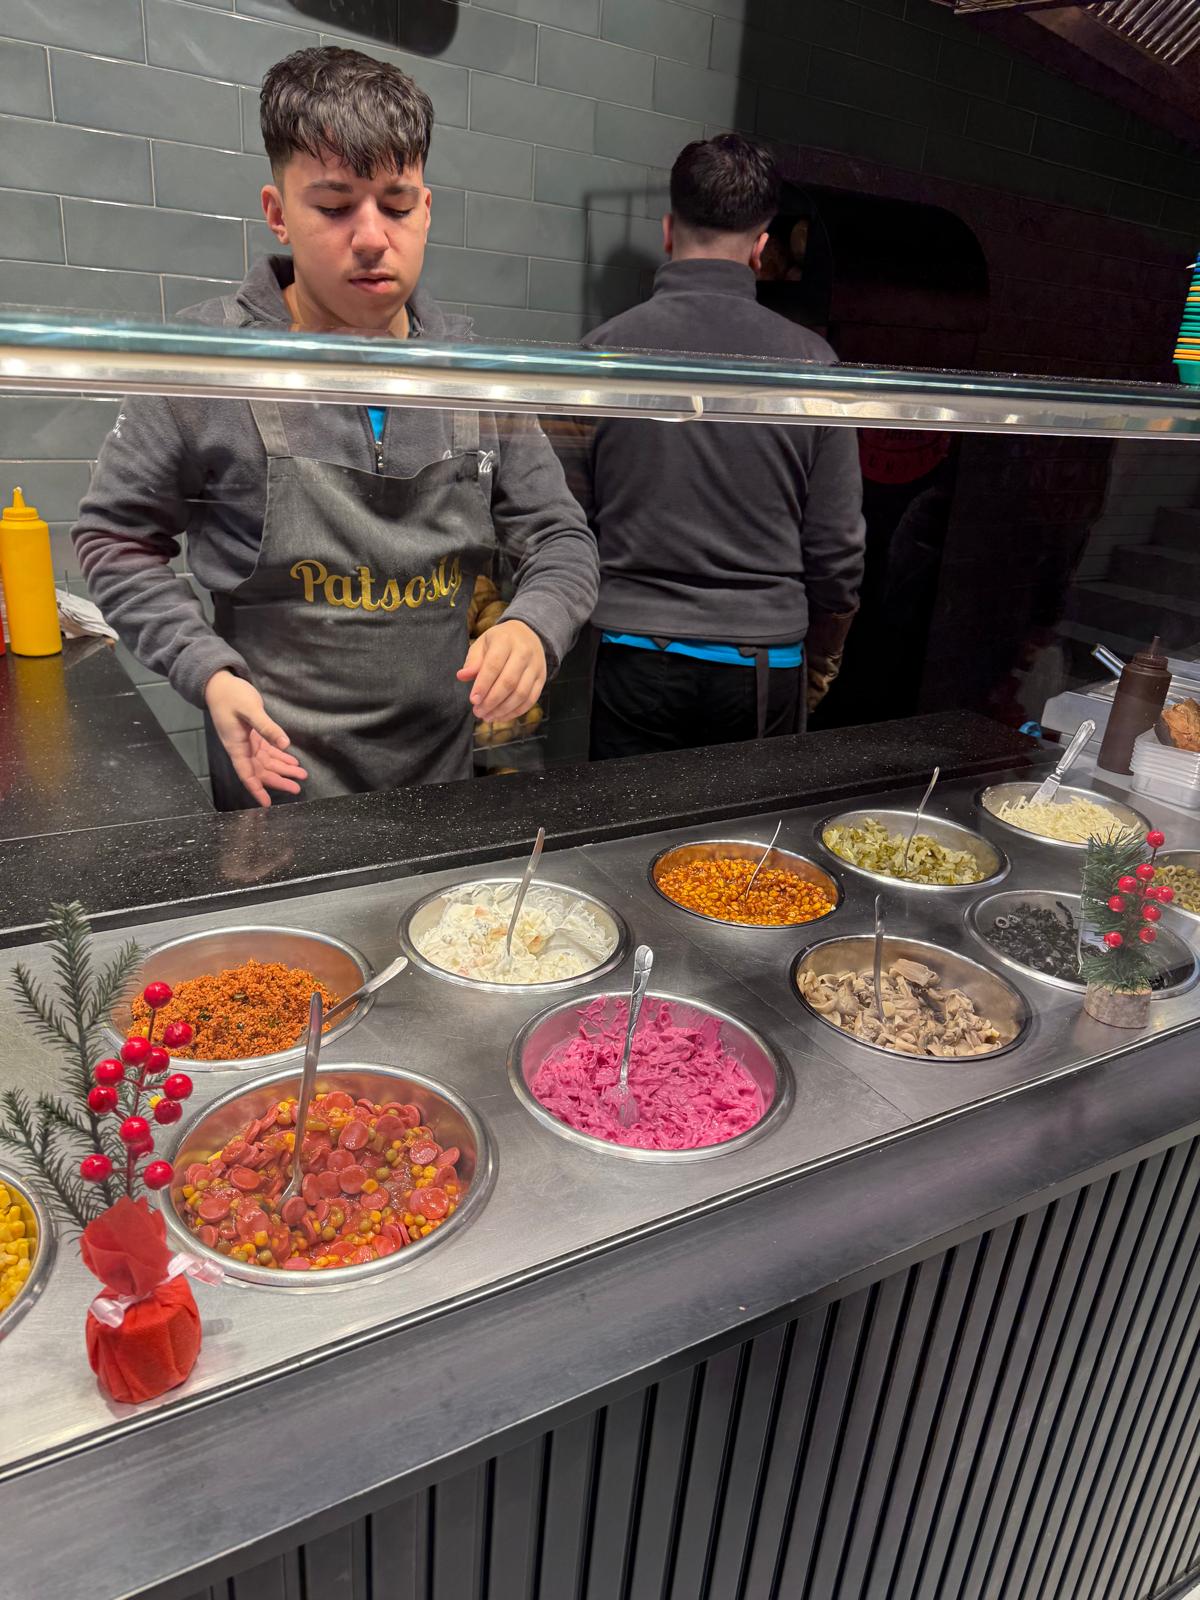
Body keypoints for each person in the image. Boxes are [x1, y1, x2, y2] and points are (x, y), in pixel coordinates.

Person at [72, 46, 597, 809]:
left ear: (427, 208)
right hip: (278, 786)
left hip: (442, 786)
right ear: (278, 212)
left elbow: (562, 539)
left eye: (397, 204)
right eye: (335, 205)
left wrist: (534, 626)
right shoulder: (204, 363)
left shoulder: (474, 376)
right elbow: (115, 539)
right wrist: (205, 670)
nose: (373, 236)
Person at [573, 135, 865, 759]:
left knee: (629, 821)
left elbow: (568, 518)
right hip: (763, 663)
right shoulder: (814, 364)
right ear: (761, 248)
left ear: (667, 232)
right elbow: (836, 544)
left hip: (632, 653)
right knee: (748, 825)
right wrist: (827, 648)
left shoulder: (601, 354)